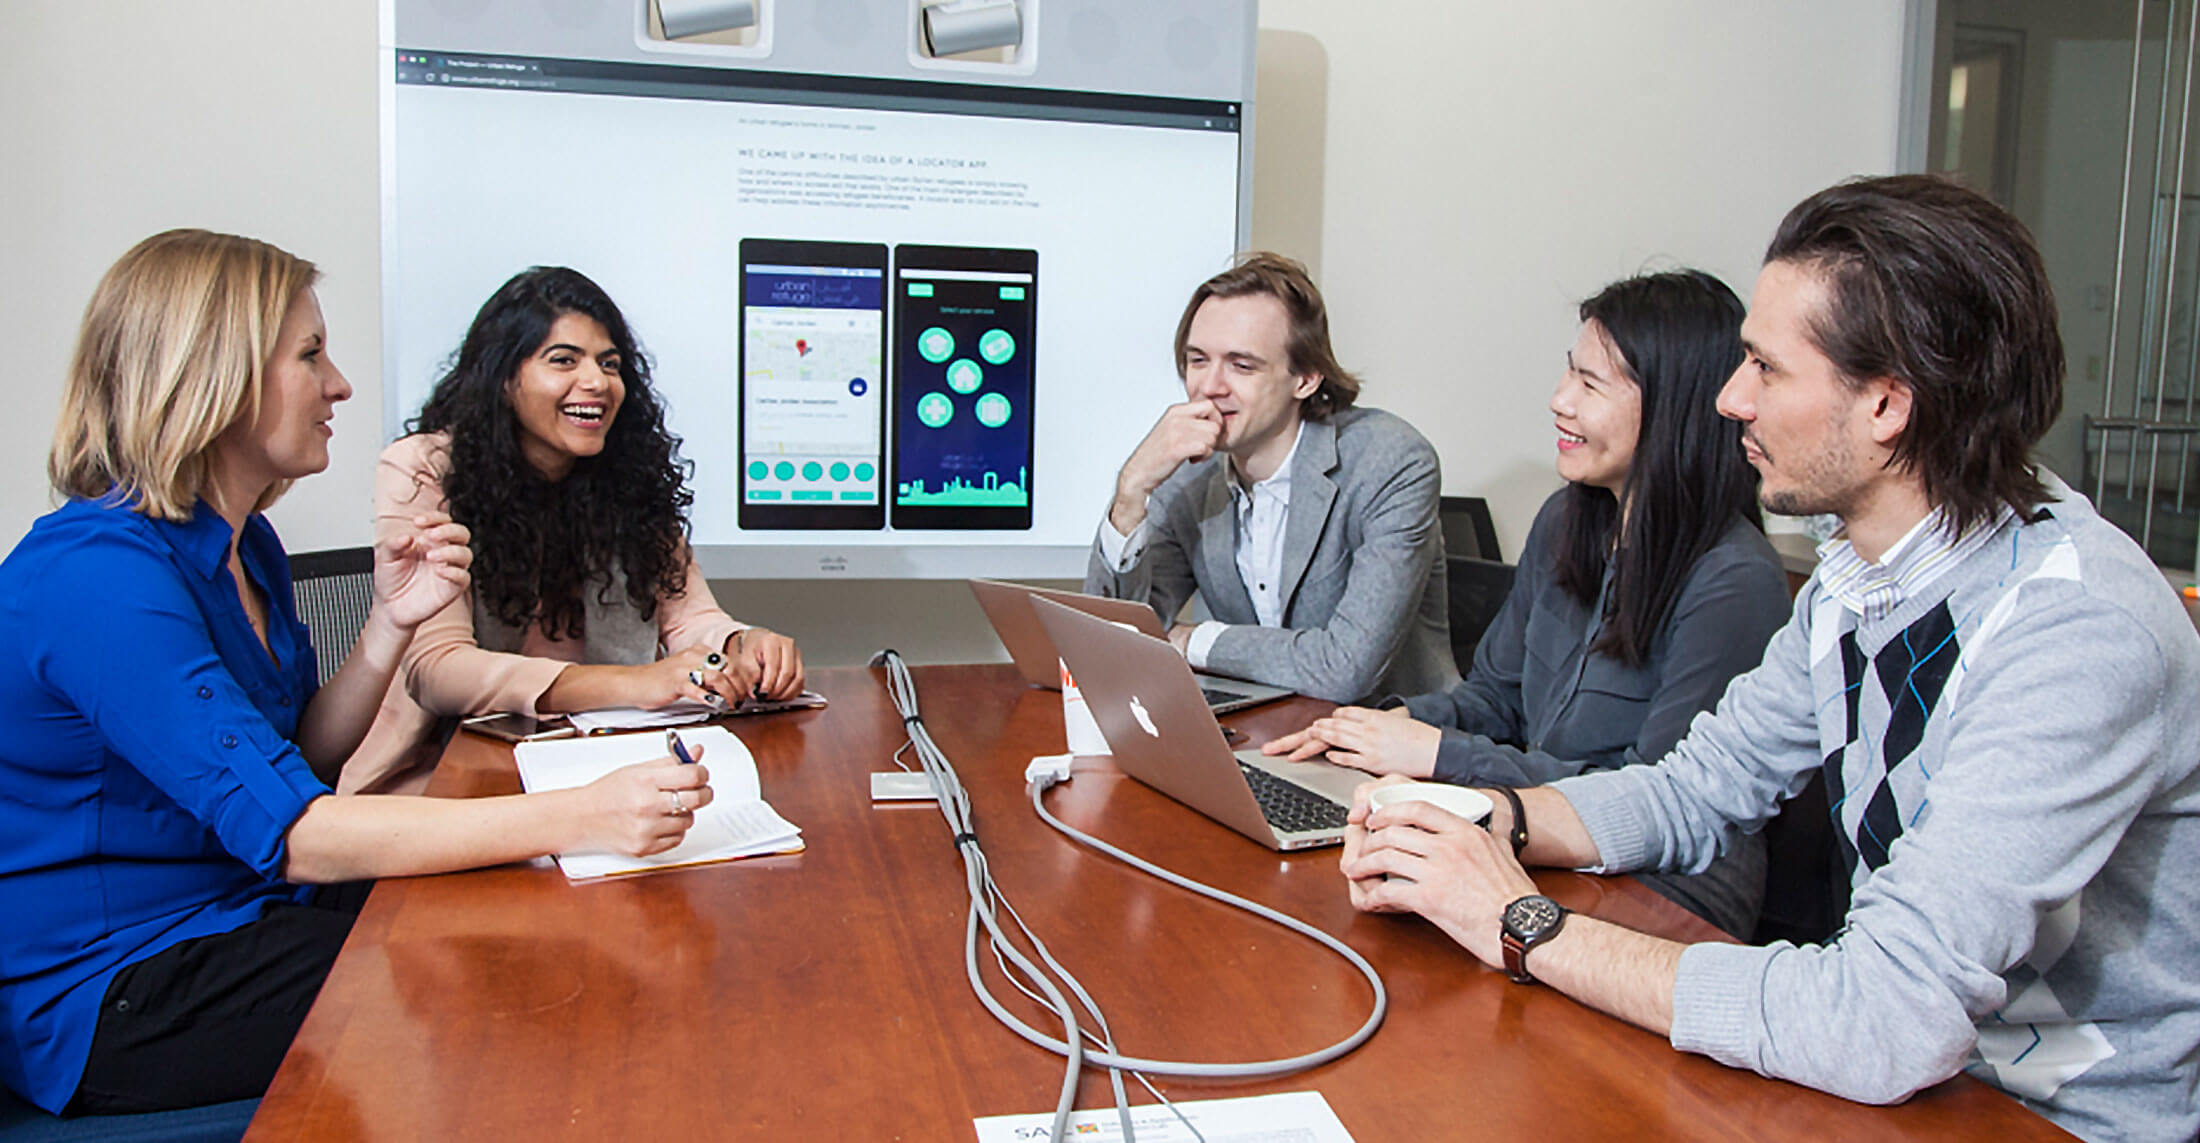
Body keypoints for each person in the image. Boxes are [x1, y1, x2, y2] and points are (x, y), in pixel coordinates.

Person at [1340, 175, 2200, 1142]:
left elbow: (1881, 1014)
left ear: (1885, 403)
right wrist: (1472, 822)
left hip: (2053, 1118)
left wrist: (1524, 924)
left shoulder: (2075, 628)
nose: (1728, 398)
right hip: (1917, 1081)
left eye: (1765, 367)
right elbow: (1694, 791)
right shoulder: (1855, 577)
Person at [0, 230, 714, 1117]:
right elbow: (298, 829)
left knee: (523, 917)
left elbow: (302, 753)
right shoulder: (95, 579)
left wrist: (388, 625)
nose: (339, 384)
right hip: (116, 980)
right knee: (477, 987)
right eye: (310, 355)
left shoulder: (242, 545)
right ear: (212, 374)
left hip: (243, 908)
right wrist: (584, 813)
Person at [1266, 270, 1790, 938]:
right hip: (1541, 841)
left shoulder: (1734, 580)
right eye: (1568, 373)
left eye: (1590, 385)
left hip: (1665, 892)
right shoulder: (1569, 520)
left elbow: (1651, 797)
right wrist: (1372, 728)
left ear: (1674, 405)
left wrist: (1440, 754)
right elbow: (1498, 700)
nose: (1559, 401)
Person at [344, 267, 805, 794]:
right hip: (444, 773)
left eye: (610, 365)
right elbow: (439, 671)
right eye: (563, 360)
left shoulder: (632, 476)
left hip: (598, 759)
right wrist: (641, 682)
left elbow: (691, 618)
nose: (597, 382)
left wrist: (742, 644)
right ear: (503, 376)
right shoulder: (422, 469)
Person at [1085, 252, 1454, 703]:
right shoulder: (1190, 478)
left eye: (1242, 366)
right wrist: (1131, 491)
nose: (1210, 386)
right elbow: (1114, 639)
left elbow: (1346, 669)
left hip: (1389, 749)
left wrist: (1192, 641)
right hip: (1264, 733)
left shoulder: (1390, 462)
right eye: (1198, 360)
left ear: (1306, 379)